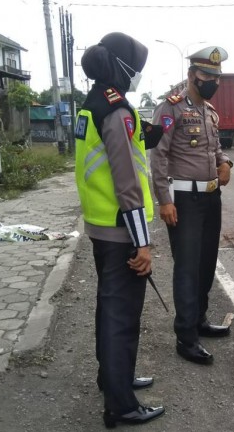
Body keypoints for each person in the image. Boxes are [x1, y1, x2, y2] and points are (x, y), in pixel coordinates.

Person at [75, 32, 164, 427]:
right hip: (121, 230)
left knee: (109, 310)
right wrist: (142, 242)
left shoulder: (91, 104)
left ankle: (114, 380)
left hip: (100, 226)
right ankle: (121, 404)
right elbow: (127, 182)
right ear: (121, 67)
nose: (138, 76)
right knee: (121, 317)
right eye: (137, 69)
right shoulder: (116, 111)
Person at [150, 46, 234, 365]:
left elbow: (215, 150)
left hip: (211, 196)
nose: (211, 81)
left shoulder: (210, 112)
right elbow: (158, 156)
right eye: (205, 76)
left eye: (216, 77)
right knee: (187, 267)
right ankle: (186, 337)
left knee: (206, 263)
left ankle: (198, 319)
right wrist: (164, 200)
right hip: (183, 199)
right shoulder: (170, 108)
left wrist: (226, 163)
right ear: (191, 75)